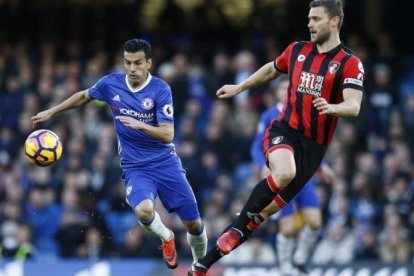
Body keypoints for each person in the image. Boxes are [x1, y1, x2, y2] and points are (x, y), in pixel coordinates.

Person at [189, 0, 364, 275]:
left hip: (314, 149)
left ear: (334, 22)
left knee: (263, 214)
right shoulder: (297, 51)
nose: (310, 24)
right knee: (283, 174)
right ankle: (244, 229)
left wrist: (333, 107)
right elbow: (272, 69)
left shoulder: (349, 63)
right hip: (285, 131)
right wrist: (240, 86)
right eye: (309, 18)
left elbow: (354, 106)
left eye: (316, 19)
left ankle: (203, 264)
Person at [31, 38, 208, 269]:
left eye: (137, 63)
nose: (132, 69)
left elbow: (168, 134)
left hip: (165, 163)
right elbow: (85, 95)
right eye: (127, 63)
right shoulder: (111, 83)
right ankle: (166, 237)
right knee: (144, 211)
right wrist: (53, 111)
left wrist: (139, 124)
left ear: (148, 63)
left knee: (194, 224)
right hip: (136, 167)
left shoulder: (160, 89)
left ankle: (200, 266)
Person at [250, 77, 335, 275]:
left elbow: (309, 148)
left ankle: (300, 258)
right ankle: (285, 265)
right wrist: (263, 165)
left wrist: (323, 167)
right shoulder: (269, 116)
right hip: (281, 179)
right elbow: (255, 146)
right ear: (277, 93)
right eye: (282, 88)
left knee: (315, 223)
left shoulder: (302, 115)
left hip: (303, 176)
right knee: (287, 229)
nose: (286, 91)